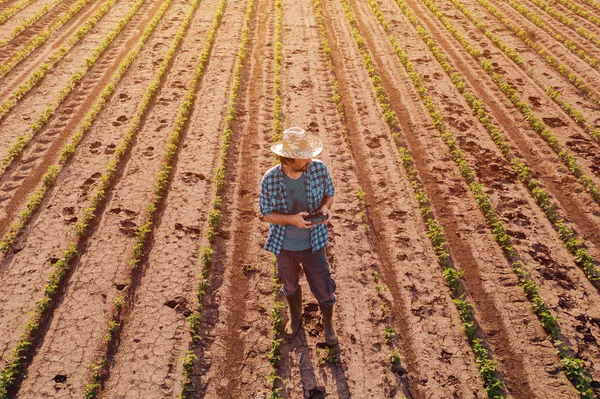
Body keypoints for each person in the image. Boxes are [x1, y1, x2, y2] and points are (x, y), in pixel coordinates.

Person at [259, 126, 338, 346]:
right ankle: (295, 317)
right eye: (304, 157)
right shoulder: (270, 180)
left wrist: (324, 208)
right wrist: (292, 219)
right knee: (289, 285)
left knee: (324, 285)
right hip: (285, 246)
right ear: (288, 158)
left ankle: (328, 324)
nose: (310, 161)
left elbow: (329, 193)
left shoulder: (319, 170)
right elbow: (266, 214)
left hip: (315, 243)